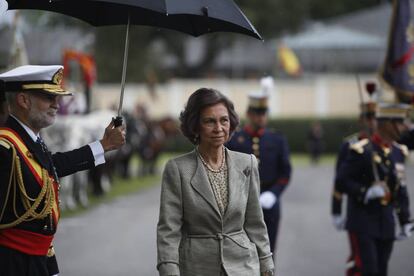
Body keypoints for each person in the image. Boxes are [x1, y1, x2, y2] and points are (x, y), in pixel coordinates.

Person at [0, 65, 126, 276]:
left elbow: (52, 166)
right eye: (49, 97)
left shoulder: (29, 140)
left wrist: (103, 145)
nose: (57, 104)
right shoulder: (5, 147)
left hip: (40, 258)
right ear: (23, 100)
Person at [156, 88, 274, 276]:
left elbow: (255, 222)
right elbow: (168, 231)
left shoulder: (247, 163)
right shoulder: (177, 169)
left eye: (224, 120)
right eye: (209, 121)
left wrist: (266, 264)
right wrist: (169, 270)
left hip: (243, 266)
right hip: (196, 268)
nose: (219, 128)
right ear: (195, 126)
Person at [336, 102, 413, 276]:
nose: (405, 127)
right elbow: (342, 181)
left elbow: (401, 188)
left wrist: (405, 219)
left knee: (382, 270)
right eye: (400, 122)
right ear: (387, 124)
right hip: (363, 222)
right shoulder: (362, 150)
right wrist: (366, 191)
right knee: (367, 270)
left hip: (386, 223)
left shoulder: (397, 152)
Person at [227, 78, 292, 254]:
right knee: (242, 253)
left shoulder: (277, 139)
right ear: (249, 113)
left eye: (264, 112)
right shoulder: (234, 140)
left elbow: (285, 172)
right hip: (241, 204)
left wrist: (274, 193)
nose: (261, 117)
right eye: (257, 112)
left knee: (268, 252)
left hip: (269, 202)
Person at [331, 100, 377, 273]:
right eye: (367, 117)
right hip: (358, 209)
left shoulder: (385, 145)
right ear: (361, 120)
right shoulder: (350, 145)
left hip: (381, 213)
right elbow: (339, 181)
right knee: (360, 261)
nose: (371, 121)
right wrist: (336, 210)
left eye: (374, 117)